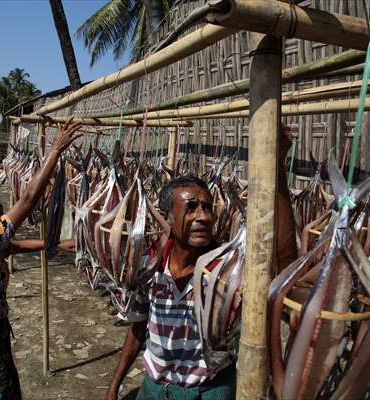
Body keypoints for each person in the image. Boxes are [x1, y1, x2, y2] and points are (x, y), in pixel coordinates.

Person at [105, 126, 297, 400]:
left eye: (207, 207)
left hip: (209, 392)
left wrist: (277, 168)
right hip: (155, 390)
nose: (203, 216)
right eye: (191, 207)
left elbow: (286, 265)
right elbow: (138, 328)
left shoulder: (229, 270)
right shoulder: (150, 267)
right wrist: (115, 384)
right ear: (168, 217)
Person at [0, 118, 82, 400]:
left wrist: (56, 244)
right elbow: (30, 198)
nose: (1, 223)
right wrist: (55, 150)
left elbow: (15, 246)